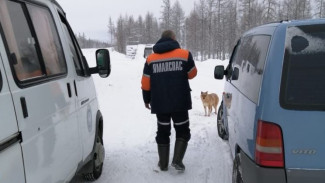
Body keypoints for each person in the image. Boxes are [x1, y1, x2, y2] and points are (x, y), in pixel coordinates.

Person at [141, 30, 197, 171]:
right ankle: (177, 160)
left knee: (163, 131)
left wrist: (146, 99)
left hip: (160, 103)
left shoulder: (150, 59)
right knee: (183, 130)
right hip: (180, 102)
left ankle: (164, 163)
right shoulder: (184, 54)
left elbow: (145, 83)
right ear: (173, 39)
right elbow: (192, 74)